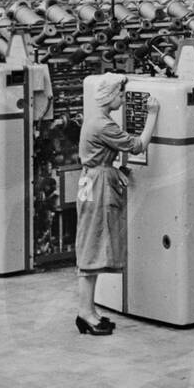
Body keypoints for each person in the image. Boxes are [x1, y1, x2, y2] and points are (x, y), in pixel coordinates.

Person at [74, 74, 159, 336]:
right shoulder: (104, 125)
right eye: (121, 95)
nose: (123, 100)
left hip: (92, 179)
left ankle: (89, 311)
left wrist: (112, 168)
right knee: (91, 250)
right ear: (110, 95)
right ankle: (85, 313)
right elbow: (138, 145)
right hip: (98, 185)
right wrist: (153, 114)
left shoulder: (95, 119)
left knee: (93, 245)